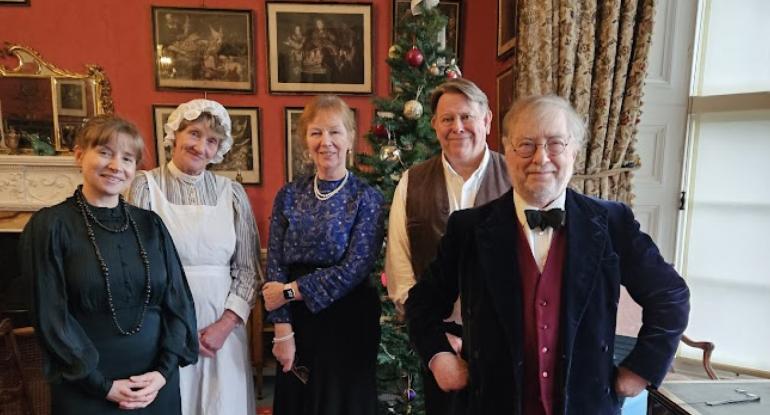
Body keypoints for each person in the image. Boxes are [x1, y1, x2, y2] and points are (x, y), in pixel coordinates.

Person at [405, 95, 690, 414]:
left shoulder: (612, 222)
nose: (540, 158)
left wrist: (642, 368)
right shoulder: (468, 228)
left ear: (574, 151)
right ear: (508, 151)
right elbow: (421, 304)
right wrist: (439, 356)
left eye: (555, 144)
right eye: (526, 144)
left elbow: (670, 295)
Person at [20, 115, 198, 414]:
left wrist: (163, 372)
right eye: (104, 152)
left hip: (154, 387)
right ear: (79, 155)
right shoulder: (49, 226)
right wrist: (102, 385)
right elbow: (50, 315)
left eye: (127, 158)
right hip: (85, 387)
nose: (117, 166)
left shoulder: (151, 225)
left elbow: (177, 302)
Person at [385, 78, 510, 415]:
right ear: (434, 125)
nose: (458, 127)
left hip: (506, 343)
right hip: (440, 344)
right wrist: (437, 340)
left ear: (486, 120)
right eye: (447, 119)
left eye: (467, 117)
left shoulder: (515, 177)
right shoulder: (412, 182)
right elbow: (400, 270)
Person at [127, 99, 261, 415]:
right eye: (194, 133)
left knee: (222, 403)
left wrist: (226, 324)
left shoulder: (233, 194)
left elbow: (248, 269)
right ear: (176, 133)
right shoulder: (145, 186)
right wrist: (178, 330)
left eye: (211, 140)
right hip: (165, 326)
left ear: (220, 148)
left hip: (223, 330)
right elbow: (139, 266)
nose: (201, 146)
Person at [261, 95, 385, 415]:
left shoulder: (366, 197)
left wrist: (291, 292)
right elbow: (275, 262)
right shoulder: (288, 194)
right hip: (299, 323)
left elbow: (355, 267)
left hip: (349, 322)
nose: (325, 141)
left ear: (349, 139)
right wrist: (282, 329)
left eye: (335, 132)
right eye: (316, 132)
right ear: (306, 140)